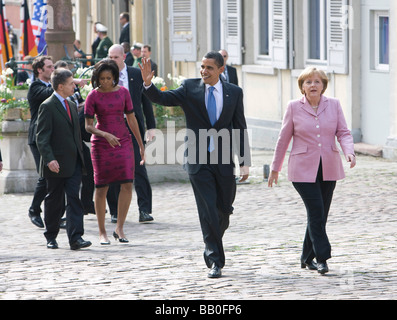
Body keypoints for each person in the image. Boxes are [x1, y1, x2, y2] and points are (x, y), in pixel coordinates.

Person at [139, 51, 251, 278]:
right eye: (202, 67)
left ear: (221, 69)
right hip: (197, 160)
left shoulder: (234, 93)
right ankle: (215, 259)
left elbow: (240, 126)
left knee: (224, 209)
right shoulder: (190, 87)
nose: (204, 71)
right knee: (207, 207)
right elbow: (164, 98)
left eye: (210, 67)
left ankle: (212, 243)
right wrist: (148, 84)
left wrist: (244, 162)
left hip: (222, 159)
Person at [268, 67, 356, 275]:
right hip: (301, 169)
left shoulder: (333, 105)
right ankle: (322, 257)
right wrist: (275, 168)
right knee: (316, 210)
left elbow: (343, 132)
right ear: (302, 87)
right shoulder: (293, 107)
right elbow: (283, 139)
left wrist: (349, 152)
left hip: (328, 167)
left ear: (323, 85)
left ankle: (306, 257)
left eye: (317, 81)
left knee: (320, 214)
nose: (313, 85)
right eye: (308, 82)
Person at [84, 59, 145, 245]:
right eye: (101, 78)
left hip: (123, 142)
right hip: (101, 144)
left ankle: (119, 228)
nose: (105, 82)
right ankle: (102, 232)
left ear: (115, 77)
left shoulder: (124, 93)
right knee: (101, 187)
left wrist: (141, 145)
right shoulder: (92, 96)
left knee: (127, 183)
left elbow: (132, 119)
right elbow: (88, 126)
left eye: (109, 78)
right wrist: (104, 134)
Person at [36, 68, 92, 250]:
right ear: (60, 86)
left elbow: (76, 134)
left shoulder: (71, 104)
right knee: (54, 200)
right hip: (56, 164)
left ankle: (76, 238)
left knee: (74, 198)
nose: (74, 87)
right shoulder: (47, 106)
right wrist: (50, 159)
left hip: (74, 161)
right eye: (70, 84)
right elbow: (42, 137)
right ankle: (51, 235)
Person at [107, 44, 156, 223]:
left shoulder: (135, 74)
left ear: (124, 57)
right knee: (112, 169)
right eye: (109, 57)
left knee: (139, 167)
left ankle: (144, 210)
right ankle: (114, 211)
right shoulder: (105, 76)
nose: (112, 61)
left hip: (134, 128)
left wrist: (151, 127)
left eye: (115, 58)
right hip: (111, 129)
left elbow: (146, 102)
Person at [27, 56, 56, 229]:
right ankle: (34, 210)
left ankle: (55, 214)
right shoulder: (35, 87)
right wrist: (67, 81)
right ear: (39, 70)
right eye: (49, 67)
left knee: (56, 178)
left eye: (53, 66)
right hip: (37, 138)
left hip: (54, 137)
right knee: (45, 176)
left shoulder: (54, 87)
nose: (52, 69)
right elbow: (48, 94)